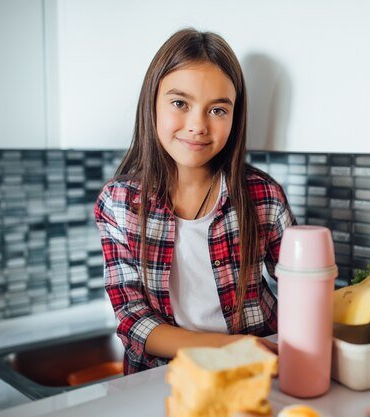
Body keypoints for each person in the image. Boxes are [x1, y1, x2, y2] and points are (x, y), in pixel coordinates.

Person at [94, 28, 296, 374]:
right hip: (160, 379)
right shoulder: (118, 203)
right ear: (152, 104)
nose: (198, 125)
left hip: (254, 375)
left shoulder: (263, 196)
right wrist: (231, 348)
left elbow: (301, 292)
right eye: (180, 103)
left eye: (218, 110)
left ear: (235, 117)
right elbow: (132, 319)